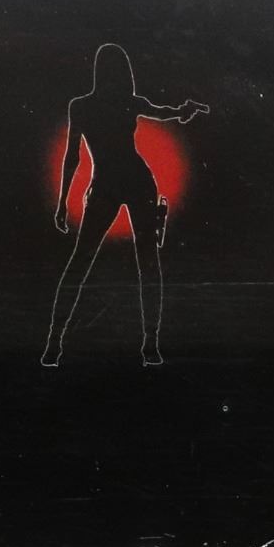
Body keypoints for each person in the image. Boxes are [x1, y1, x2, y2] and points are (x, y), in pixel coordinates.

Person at [41, 43, 207, 368]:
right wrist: (181, 111)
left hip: (112, 184)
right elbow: (165, 111)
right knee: (144, 260)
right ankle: (149, 345)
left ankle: (55, 344)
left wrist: (63, 201)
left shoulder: (83, 106)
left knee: (85, 262)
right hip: (131, 181)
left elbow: (73, 156)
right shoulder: (127, 102)